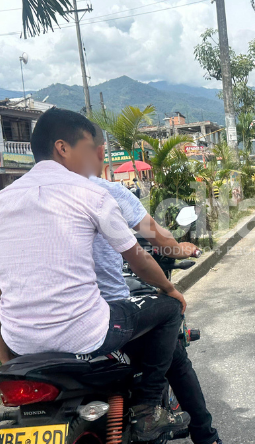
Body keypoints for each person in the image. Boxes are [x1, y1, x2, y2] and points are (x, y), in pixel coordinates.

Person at [0, 108, 190, 441]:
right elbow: (137, 259)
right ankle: (147, 408)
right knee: (168, 310)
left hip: (21, 345)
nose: (96, 159)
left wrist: (10, 362)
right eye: (90, 149)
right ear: (63, 148)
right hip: (87, 333)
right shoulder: (92, 193)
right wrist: (169, 289)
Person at [87, 123, 221, 444]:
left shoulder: (11, 198)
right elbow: (148, 248)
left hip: (30, 338)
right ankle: (190, 428)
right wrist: (174, 269)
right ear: (98, 152)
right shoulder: (105, 192)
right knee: (171, 323)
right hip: (103, 318)